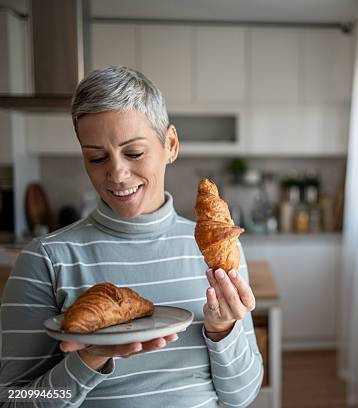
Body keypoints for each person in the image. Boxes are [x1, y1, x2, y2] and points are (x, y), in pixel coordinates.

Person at [0, 66, 263, 407]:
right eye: (96, 157)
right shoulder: (47, 259)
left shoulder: (218, 252)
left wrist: (222, 331)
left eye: (134, 152)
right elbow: (13, 399)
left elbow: (242, 395)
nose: (117, 175)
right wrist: (88, 361)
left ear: (170, 144)